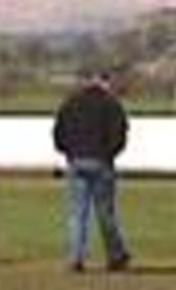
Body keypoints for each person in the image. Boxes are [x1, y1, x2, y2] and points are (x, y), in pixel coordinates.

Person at [53, 70, 131, 273]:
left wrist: (69, 152)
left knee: (77, 213)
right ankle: (116, 255)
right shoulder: (112, 104)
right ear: (105, 82)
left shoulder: (71, 103)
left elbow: (58, 133)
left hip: (76, 161)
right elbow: (120, 135)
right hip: (101, 161)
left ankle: (75, 258)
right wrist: (109, 154)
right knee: (106, 213)